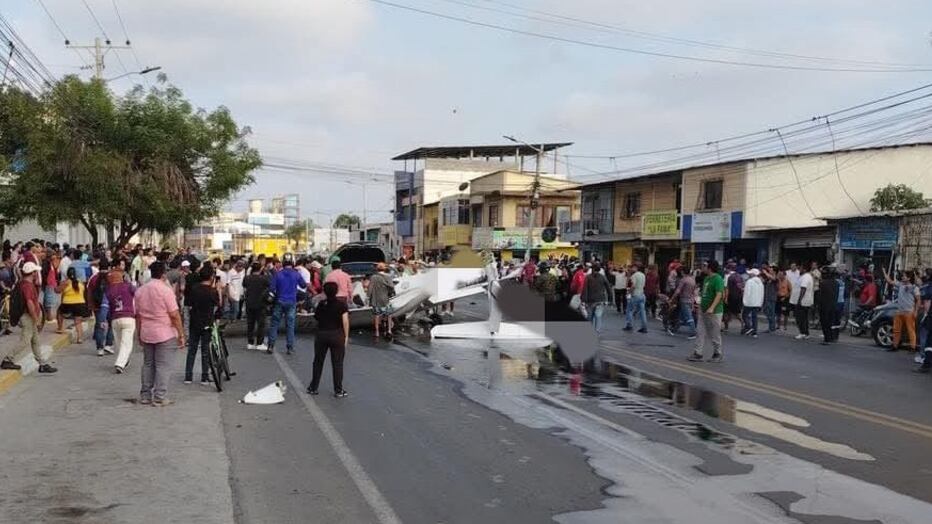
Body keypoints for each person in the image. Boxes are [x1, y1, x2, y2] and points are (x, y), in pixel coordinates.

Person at [134, 262, 186, 406]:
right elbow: (174, 315)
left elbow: (138, 316)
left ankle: (145, 395)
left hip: (147, 331)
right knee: (163, 365)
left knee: (148, 364)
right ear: (163, 274)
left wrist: (139, 333)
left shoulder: (140, 291)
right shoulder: (165, 290)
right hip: (165, 332)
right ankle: (159, 396)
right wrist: (181, 334)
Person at [2, 262, 56, 373]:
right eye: (35, 271)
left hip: (28, 316)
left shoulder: (24, 284)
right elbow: (30, 303)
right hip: (27, 317)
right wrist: (36, 318)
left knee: (35, 340)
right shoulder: (27, 286)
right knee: (25, 340)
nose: (37, 273)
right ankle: (8, 359)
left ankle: (42, 363)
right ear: (32, 273)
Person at [307, 282, 350, 398]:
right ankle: (338, 390)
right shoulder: (342, 305)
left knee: (318, 362)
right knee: (337, 364)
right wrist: (346, 337)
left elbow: (316, 318)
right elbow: (345, 322)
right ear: (336, 291)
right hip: (337, 335)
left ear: (325, 291)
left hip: (321, 334)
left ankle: (313, 387)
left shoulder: (321, 304)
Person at [185, 265, 220, 385]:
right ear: (211, 277)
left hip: (194, 322)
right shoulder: (213, 291)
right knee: (206, 350)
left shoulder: (194, 288)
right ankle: (204, 377)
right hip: (207, 323)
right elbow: (217, 306)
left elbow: (189, 304)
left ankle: (188, 376)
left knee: (192, 350)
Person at [266, 255, 307, 355]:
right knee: (290, 325)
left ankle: (271, 345)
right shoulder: (296, 274)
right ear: (292, 262)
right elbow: (303, 285)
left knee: (274, 324)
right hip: (291, 302)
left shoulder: (278, 274)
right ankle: (290, 347)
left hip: (279, 301)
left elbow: (271, 288)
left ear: (283, 262)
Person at [689, 259, 725, 363]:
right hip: (703, 309)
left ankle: (717, 353)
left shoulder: (717, 279)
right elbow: (704, 293)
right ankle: (698, 352)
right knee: (700, 331)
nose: (703, 268)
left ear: (710, 268)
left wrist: (712, 307)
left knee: (714, 332)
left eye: (705, 266)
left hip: (714, 311)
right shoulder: (706, 279)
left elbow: (719, 294)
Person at [106, 264, 136, 373]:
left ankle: (124, 360)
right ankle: (120, 363)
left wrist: (107, 320)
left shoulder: (109, 291)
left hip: (115, 318)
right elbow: (136, 294)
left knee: (119, 343)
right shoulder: (128, 286)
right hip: (128, 317)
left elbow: (109, 307)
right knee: (126, 343)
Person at [882, 268, 919, 352]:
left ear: (909, 278)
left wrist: (916, 311)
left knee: (911, 330)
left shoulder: (914, 287)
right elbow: (890, 281)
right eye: (902, 276)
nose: (902, 277)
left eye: (904, 276)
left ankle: (912, 347)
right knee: (896, 330)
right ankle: (895, 346)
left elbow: (918, 300)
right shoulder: (900, 285)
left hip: (909, 312)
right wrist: (884, 272)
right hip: (899, 311)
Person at [86, 258, 115, 357]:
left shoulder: (93, 278)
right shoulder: (112, 277)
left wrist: (90, 305)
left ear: (99, 267)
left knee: (100, 325)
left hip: (97, 305)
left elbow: (89, 292)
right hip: (110, 306)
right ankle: (108, 344)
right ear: (109, 266)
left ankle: (100, 348)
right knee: (111, 324)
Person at [57, 267, 89, 345]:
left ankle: (60, 328)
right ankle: (79, 338)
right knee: (78, 322)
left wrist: (58, 286)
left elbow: (57, 290)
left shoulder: (66, 282)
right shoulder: (80, 282)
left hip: (68, 304)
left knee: (59, 313)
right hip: (80, 304)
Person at [243, 263, 270, 351]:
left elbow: (244, 286)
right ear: (260, 269)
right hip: (261, 304)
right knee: (261, 324)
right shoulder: (264, 279)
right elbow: (269, 285)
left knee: (250, 324)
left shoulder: (247, 278)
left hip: (249, 303)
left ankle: (250, 343)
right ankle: (259, 343)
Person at [581, 262, 613, 335]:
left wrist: (583, 300)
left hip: (590, 300)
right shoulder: (603, 277)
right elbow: (608, 289)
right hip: (601, 299)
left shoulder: (588, 277)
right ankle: (597, 331)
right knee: (598, 316)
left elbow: (585, 289)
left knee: (590, 316)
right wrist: (610, 299)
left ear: (592, 269)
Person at [369, 262, 395, 339]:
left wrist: (368, 297)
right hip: (385, 299)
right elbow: (392, 287)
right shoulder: (388, 277)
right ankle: (389, 330)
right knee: (389, 315)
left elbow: (370, 288)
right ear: (384, 269)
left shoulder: (373, 277)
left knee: (377, 316)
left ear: (377, 269)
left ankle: (377, 332)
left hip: (376, 299)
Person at [670, 268, 697, 338]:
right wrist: (693, 302)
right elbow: (694, 292)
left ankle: (693, 332)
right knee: (681, 316)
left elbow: (678, 290)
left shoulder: (683, 280)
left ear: (683, 272)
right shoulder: (692, 280)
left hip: (684, 300)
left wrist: (672, 298)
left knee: (689, 317)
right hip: (690, 300)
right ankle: (674, 329)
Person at [41, 253, 63, 334]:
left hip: (51, 283)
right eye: (54, 257)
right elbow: (45, 274)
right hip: (49, 283)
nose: (56, 259)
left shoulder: (51, 264)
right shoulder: (47, 264)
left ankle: (47, 316)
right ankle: (49, 317)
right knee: (49, 300)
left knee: (48, 299)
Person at [817, 266, 840, 345]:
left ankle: (827, 338)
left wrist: (818, 305)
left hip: (824, 306)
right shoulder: (836, 283)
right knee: (830, 322)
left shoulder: (823, 283)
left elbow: (820, 296)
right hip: (833, 305)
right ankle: (830, 337)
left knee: (824, 323)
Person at [624, 264, 648, 333]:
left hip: (635, 295)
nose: (631, 269)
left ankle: (629, 325)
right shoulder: (643, 275)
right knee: (642, 312)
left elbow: (633, 286)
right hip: (642, 295)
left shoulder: (634, 276)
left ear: (636, 268)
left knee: (629, 310)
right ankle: (644, 327)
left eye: (632, 268)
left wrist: (629, 293)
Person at [742, 268, 764, 338]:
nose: (749, 274)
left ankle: (749, 327)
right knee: (754, 317)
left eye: (750, 273)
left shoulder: (749, 281)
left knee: (744, 315)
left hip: (749, 302)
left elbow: (747, 293)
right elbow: (762, 293)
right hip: (757, 302)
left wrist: (744, 301)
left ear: (753, 274)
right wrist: (760, 302)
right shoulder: (760, 282)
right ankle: (755, 332)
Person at [723, 263, 744, 333]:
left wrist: (725, 298)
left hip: (730, 296)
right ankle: (743, 324)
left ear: (728, 268)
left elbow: (726, 288)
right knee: (737, 312)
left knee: (726, 312)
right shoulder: (739, 276)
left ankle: (726, 327)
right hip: (738, 297)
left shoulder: (728, 276)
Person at [794, 266, 814, 340]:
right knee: (804, 318)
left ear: (804, 269)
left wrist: (799, 300)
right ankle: (806, 333)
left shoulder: (805, 277)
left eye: (800, 268)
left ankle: (802, 333)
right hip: (805, 301)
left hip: (803, 302)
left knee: (800, 318)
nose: (799, 270)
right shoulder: (806, 276)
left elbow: (803, 288)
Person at [761, 264, 778, 333]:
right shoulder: (768, 278)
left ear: (774, 271)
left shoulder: (776, 277)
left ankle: (772, 327)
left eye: (771, 269)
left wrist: (766, 272)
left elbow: (773, 279)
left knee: (771, 312)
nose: (769, 269)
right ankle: (771, 325)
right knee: (765, 310)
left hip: (772, 297)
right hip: (767, 297)